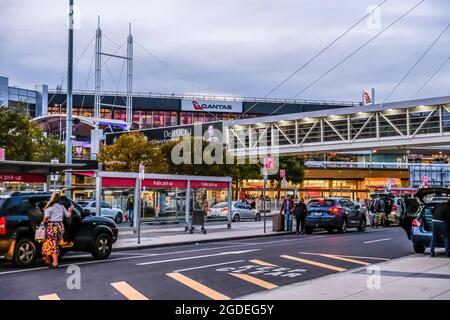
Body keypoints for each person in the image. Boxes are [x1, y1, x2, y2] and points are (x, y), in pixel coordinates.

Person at [41, 192, 73, 268]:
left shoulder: (49, 207)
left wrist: (42, 222)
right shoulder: (61, 207)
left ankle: (55, 262)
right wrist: (70, 210)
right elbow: (68, 216)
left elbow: (46, 218)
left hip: (52, 226)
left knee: (53, 244)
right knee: (50, 243)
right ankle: (47, 259)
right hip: (60, 226)